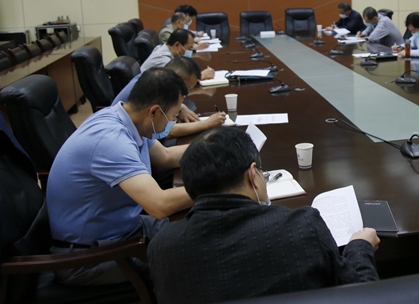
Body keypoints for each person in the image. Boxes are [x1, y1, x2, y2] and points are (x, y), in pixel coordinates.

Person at [148, 127, 380, 303]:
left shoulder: (161, 247)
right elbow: (361, 295)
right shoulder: (301, 226)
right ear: (252, 175)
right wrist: (360, 248)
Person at [47, 68, 196, 285]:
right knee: (193, 261)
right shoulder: (111, 140)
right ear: (154, 111)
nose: (173, 122)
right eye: (174, 116)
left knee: (200, 228)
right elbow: (160, 205)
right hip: (86, 258)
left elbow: (166, 156)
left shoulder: (128, 119)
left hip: (122, 230)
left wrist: (216, 147)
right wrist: (222, 185)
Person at [112, 58, 226, 137]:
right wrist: (206, 123)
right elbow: (165, 131)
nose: (185, 94)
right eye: (185, 89)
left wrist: (181, 107)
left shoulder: (154, 78)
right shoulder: (153, 87)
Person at [140, 29, 214, 79]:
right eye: (189, 48)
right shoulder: (163, 59)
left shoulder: (166, 49)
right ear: (177, 45)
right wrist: (200, 76)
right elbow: (176, 82)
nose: (190, 51)